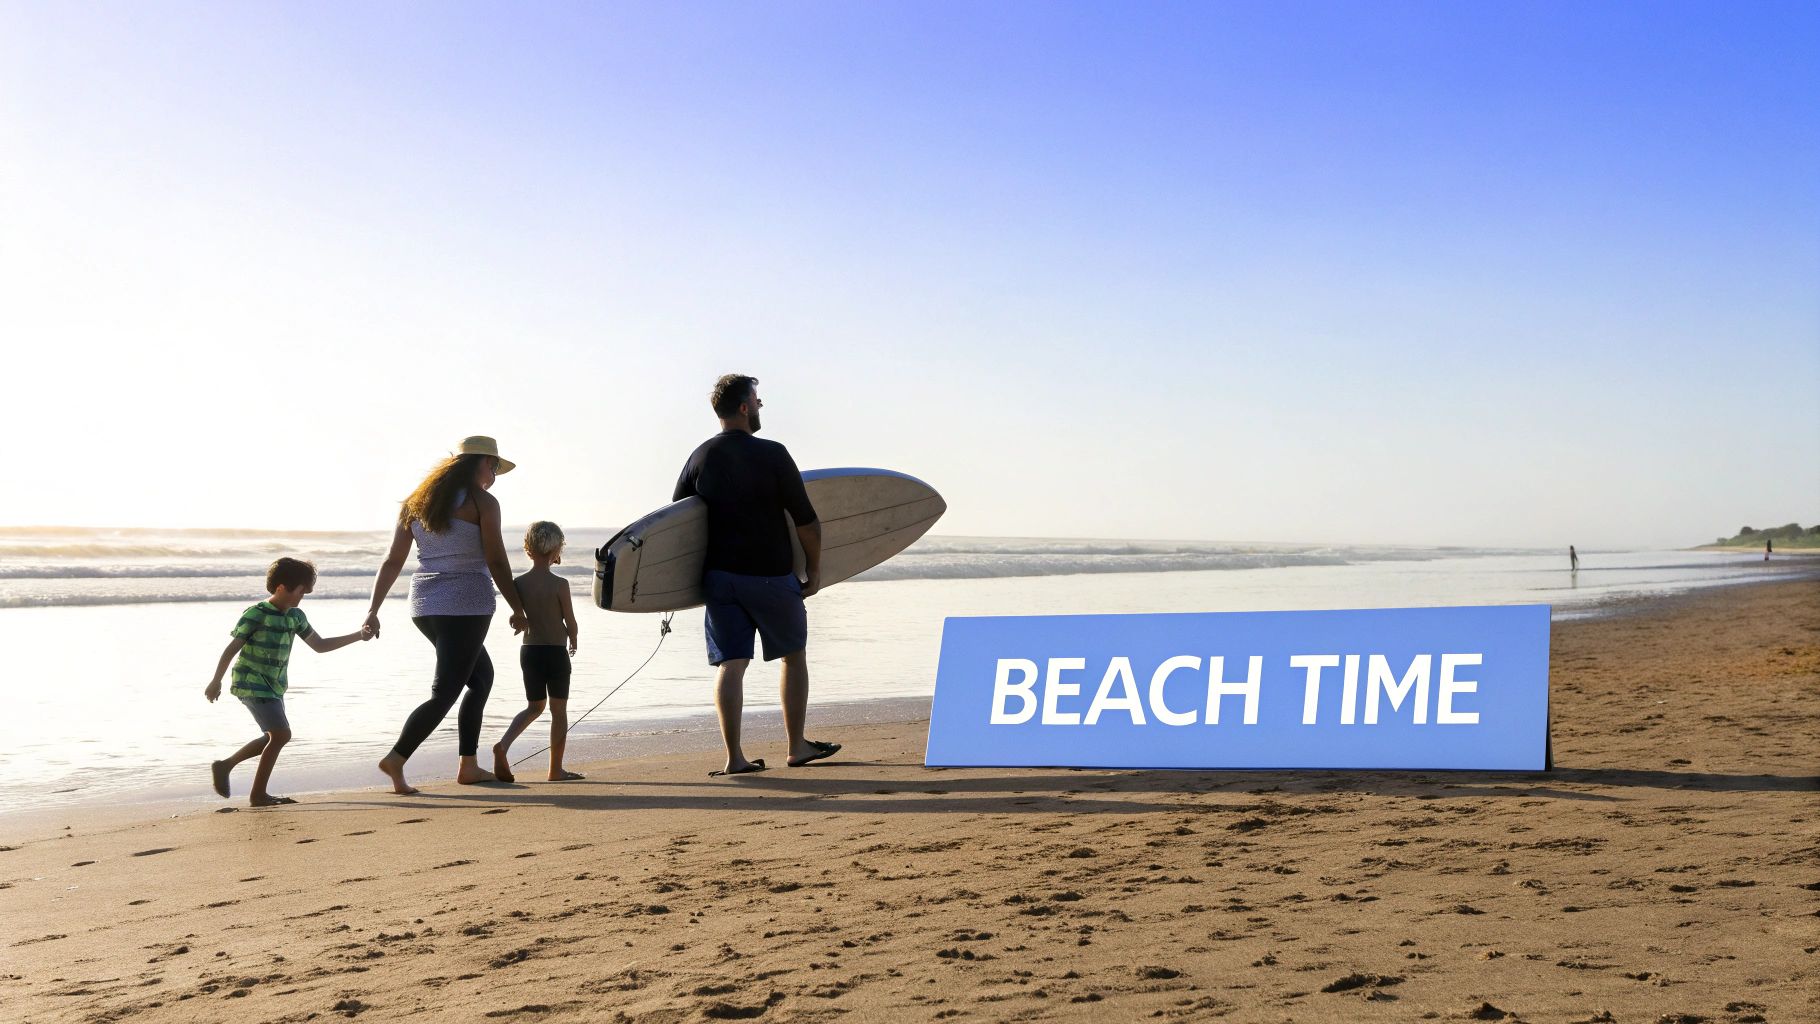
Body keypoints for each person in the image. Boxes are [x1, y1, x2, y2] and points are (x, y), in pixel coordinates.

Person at [674, 374, 840, 776]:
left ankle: (734, 758)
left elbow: (678, 526)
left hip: (720, 579)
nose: (761, 405)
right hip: (769, 575)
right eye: (757, 400)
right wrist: (814, 571)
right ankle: (797, 746)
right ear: (745, 407)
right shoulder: (773, 454)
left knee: (731, 664)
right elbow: (806, 521)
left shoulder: (699, 457)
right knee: (793, 656)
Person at [366, 436, 527, 795]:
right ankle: (396, 757)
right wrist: (518, 607)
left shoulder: (415, 503)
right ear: (479, 464)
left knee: (481, 677)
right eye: (494, 466)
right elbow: (496, 559)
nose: (495, 475)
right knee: (446, 691)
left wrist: (373, 609)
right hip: (466, 603)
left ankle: (468, 765)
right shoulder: (482, 502)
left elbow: (393, 560)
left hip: (424, 605)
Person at [204, 557, 373, 806]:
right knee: (281, 735)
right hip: (250, 681)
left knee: (272, 736)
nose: (302, 598)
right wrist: (215, 681)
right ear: (282, 587)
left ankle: (225, 766)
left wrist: (359, 636)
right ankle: (258, 795)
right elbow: (232, 648)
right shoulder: (256, 614)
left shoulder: (296, 616)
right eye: (301, 592)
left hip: (275, 685)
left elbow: (320, 645)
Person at [492, 521, 584, 782]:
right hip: (555, 653)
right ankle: (555, 770)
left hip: (529, 652)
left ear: (528, 550)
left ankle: (504, 744)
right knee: (558, 711)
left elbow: (516, 616)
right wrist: (574, 640)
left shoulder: (518, 583)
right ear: (557, 550)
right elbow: (570, 621)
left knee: (534, 707)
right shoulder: (560, 584)